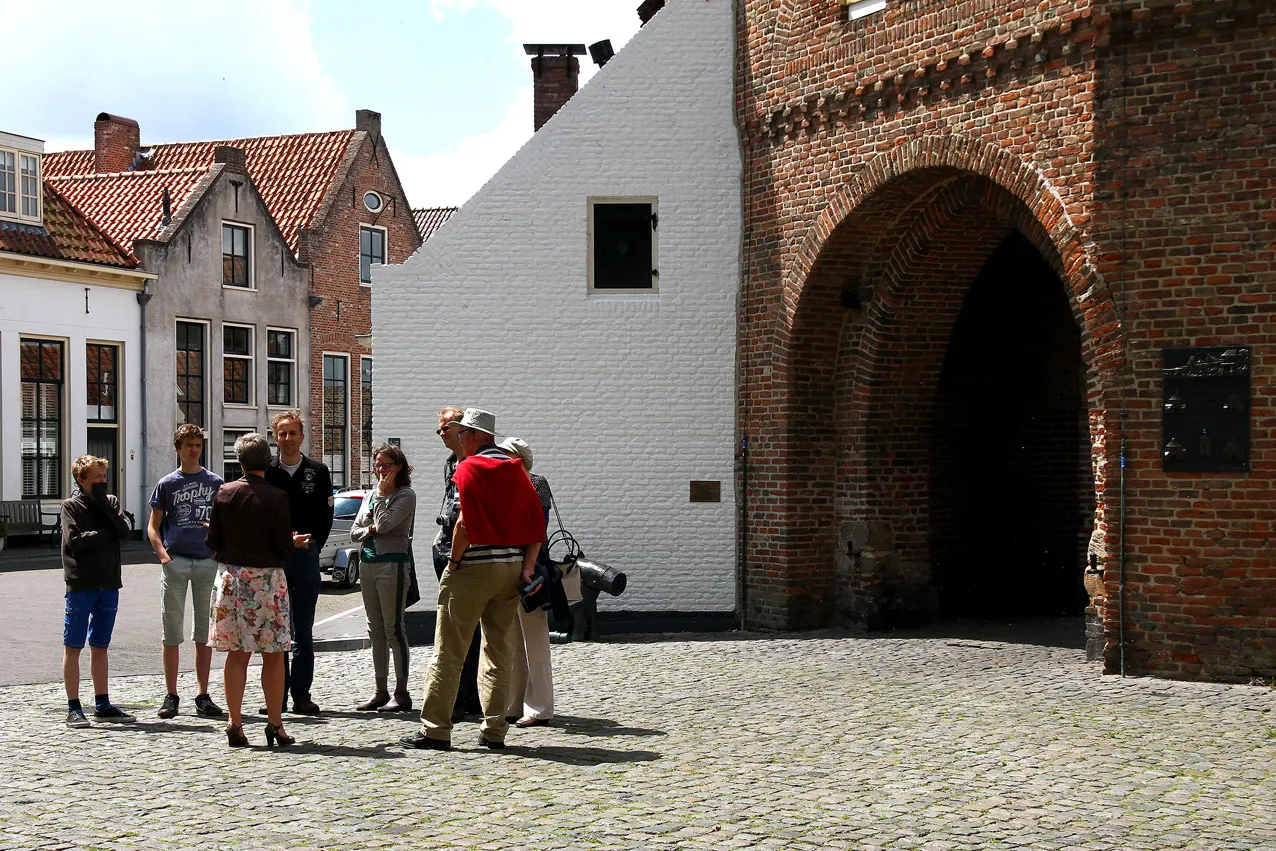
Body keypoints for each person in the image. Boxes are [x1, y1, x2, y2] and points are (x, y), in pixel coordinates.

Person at [399, 408, 545, 751]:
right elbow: (536, 522)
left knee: (449, 649)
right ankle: (494, 730)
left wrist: (453, 559)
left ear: (477, 436)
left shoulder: (471, 467)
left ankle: (435, 729)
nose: (459, 439)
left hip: (473, 567)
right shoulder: (516, 469)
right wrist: (527, 566)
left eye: (463, 433)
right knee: (497, 650)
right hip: (509, 567)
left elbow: (463, 522)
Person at [206, 433, 311, 748]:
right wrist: (292, 543)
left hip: (233, 579)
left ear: (239, 462)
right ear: (267, 461)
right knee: (274, 655)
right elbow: (282, 545)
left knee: (237, 655)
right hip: (267, 582)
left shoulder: (224, 492)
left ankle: (235, 722)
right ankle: (275, 725)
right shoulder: (277, 497)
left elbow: (212, 542)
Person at [147, 424, 224, 719]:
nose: (194, 449)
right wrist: (164, 557)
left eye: (198, 444)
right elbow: (153, 526)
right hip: (176, 561)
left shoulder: (215, 482)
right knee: (172, 630)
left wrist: (217, 552)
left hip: (207, 562)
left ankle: (203, 694)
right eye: (189, 444)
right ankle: (171, 695)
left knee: (204, 633)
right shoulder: (167, 483)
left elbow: (222, 522)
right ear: (178, 448)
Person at [263, 409, 333, 715]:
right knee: (277, 629)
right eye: (282, 433)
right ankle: (276, 697)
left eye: (293, 433)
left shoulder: (318, 471)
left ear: (302, 437)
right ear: (275, 438)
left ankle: (301, 695)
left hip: (305, 555)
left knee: (303, 630)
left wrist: (312, 542)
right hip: (275, 558)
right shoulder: (267, 473)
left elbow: (326, 515)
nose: (288, 438)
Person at [61, 455, 135, 728]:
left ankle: (102, 703)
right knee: (74, 645)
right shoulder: (71, 506)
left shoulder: (111, 502)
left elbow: (124, 532)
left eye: (105, 477)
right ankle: (74, 706)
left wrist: (106, 513)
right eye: (97, 479)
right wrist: (108, 531)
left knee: (101, 645)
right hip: (81, 583)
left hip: (109, 581)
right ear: (81, 481)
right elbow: (76, 541)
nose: (103, 482)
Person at [351, 442, 417, 712]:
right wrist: (372, 528)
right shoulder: (371, 496)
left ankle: (401, 693)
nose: (380, 470)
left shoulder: (405, 495)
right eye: (377, 465)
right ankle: (380, 690)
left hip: (393, 566)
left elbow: (388, 524)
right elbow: (355, 532)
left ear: (398, 467)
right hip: (368, 564)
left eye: (385, 465)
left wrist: (379, 502)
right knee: (374, 629)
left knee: (393, 629)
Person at [498, 437, 556, 728]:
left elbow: (538, 529)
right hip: (505, 567)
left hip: (531, 570)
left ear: (519, 459)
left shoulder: (537, 484)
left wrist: (528, 565)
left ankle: (540, 707)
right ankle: (513, 702)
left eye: (507, 456)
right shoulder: (501, 487)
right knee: (511, 642)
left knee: (535, 640)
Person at [432, 405, 483, 722]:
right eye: (438, 429)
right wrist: (439, 537)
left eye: (445, 427)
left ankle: (470, 697)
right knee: (453, 628)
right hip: (448, 549)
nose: (441, 434)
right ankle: (463, 696)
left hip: (467, 555)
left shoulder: (475, 463)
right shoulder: (451, 462)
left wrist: (456, 553)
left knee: (466, 630)